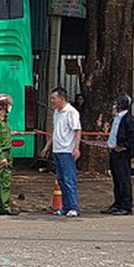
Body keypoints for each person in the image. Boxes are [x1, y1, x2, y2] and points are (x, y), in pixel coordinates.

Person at [41, 87, 82, 216]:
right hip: (57, 150)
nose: (52, 101)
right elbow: (55, 131)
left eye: (54, 98)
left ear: (62, 99)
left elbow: (77, 130)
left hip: (67, 150)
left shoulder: (71, 112)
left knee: (69, 179)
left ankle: (73, 207)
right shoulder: (56, 112)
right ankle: (65, 207)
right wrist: (47, 146)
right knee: (61, 180)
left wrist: (76, 148)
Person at [102, 93, 134, 216]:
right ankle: (117, 203)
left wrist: (124, 146)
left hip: (122, 154)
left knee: (123, 180)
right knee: (116, 179)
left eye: (117, 103)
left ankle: (126, 205)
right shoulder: (117, 118)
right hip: (114, 152)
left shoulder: (129, 120)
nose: (115, 106)